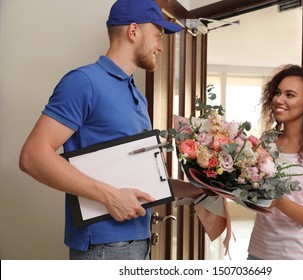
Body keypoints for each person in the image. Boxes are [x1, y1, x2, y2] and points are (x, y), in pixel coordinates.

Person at [19, 0, 182, 260]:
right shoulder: (84, 82)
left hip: (139, 240)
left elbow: (137, 175)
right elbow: (32, 156)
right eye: (157, 36)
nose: (160, 47)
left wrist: (200, 189)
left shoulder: (137, 96)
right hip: (104, 248)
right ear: (133, 31)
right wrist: (109, 197)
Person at [247, 64, 303, 260]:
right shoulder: (266, 142)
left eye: (290, 95)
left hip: (300, 257)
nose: (279, 100)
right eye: (278, 93)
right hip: (258, 252)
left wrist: (279, 201)